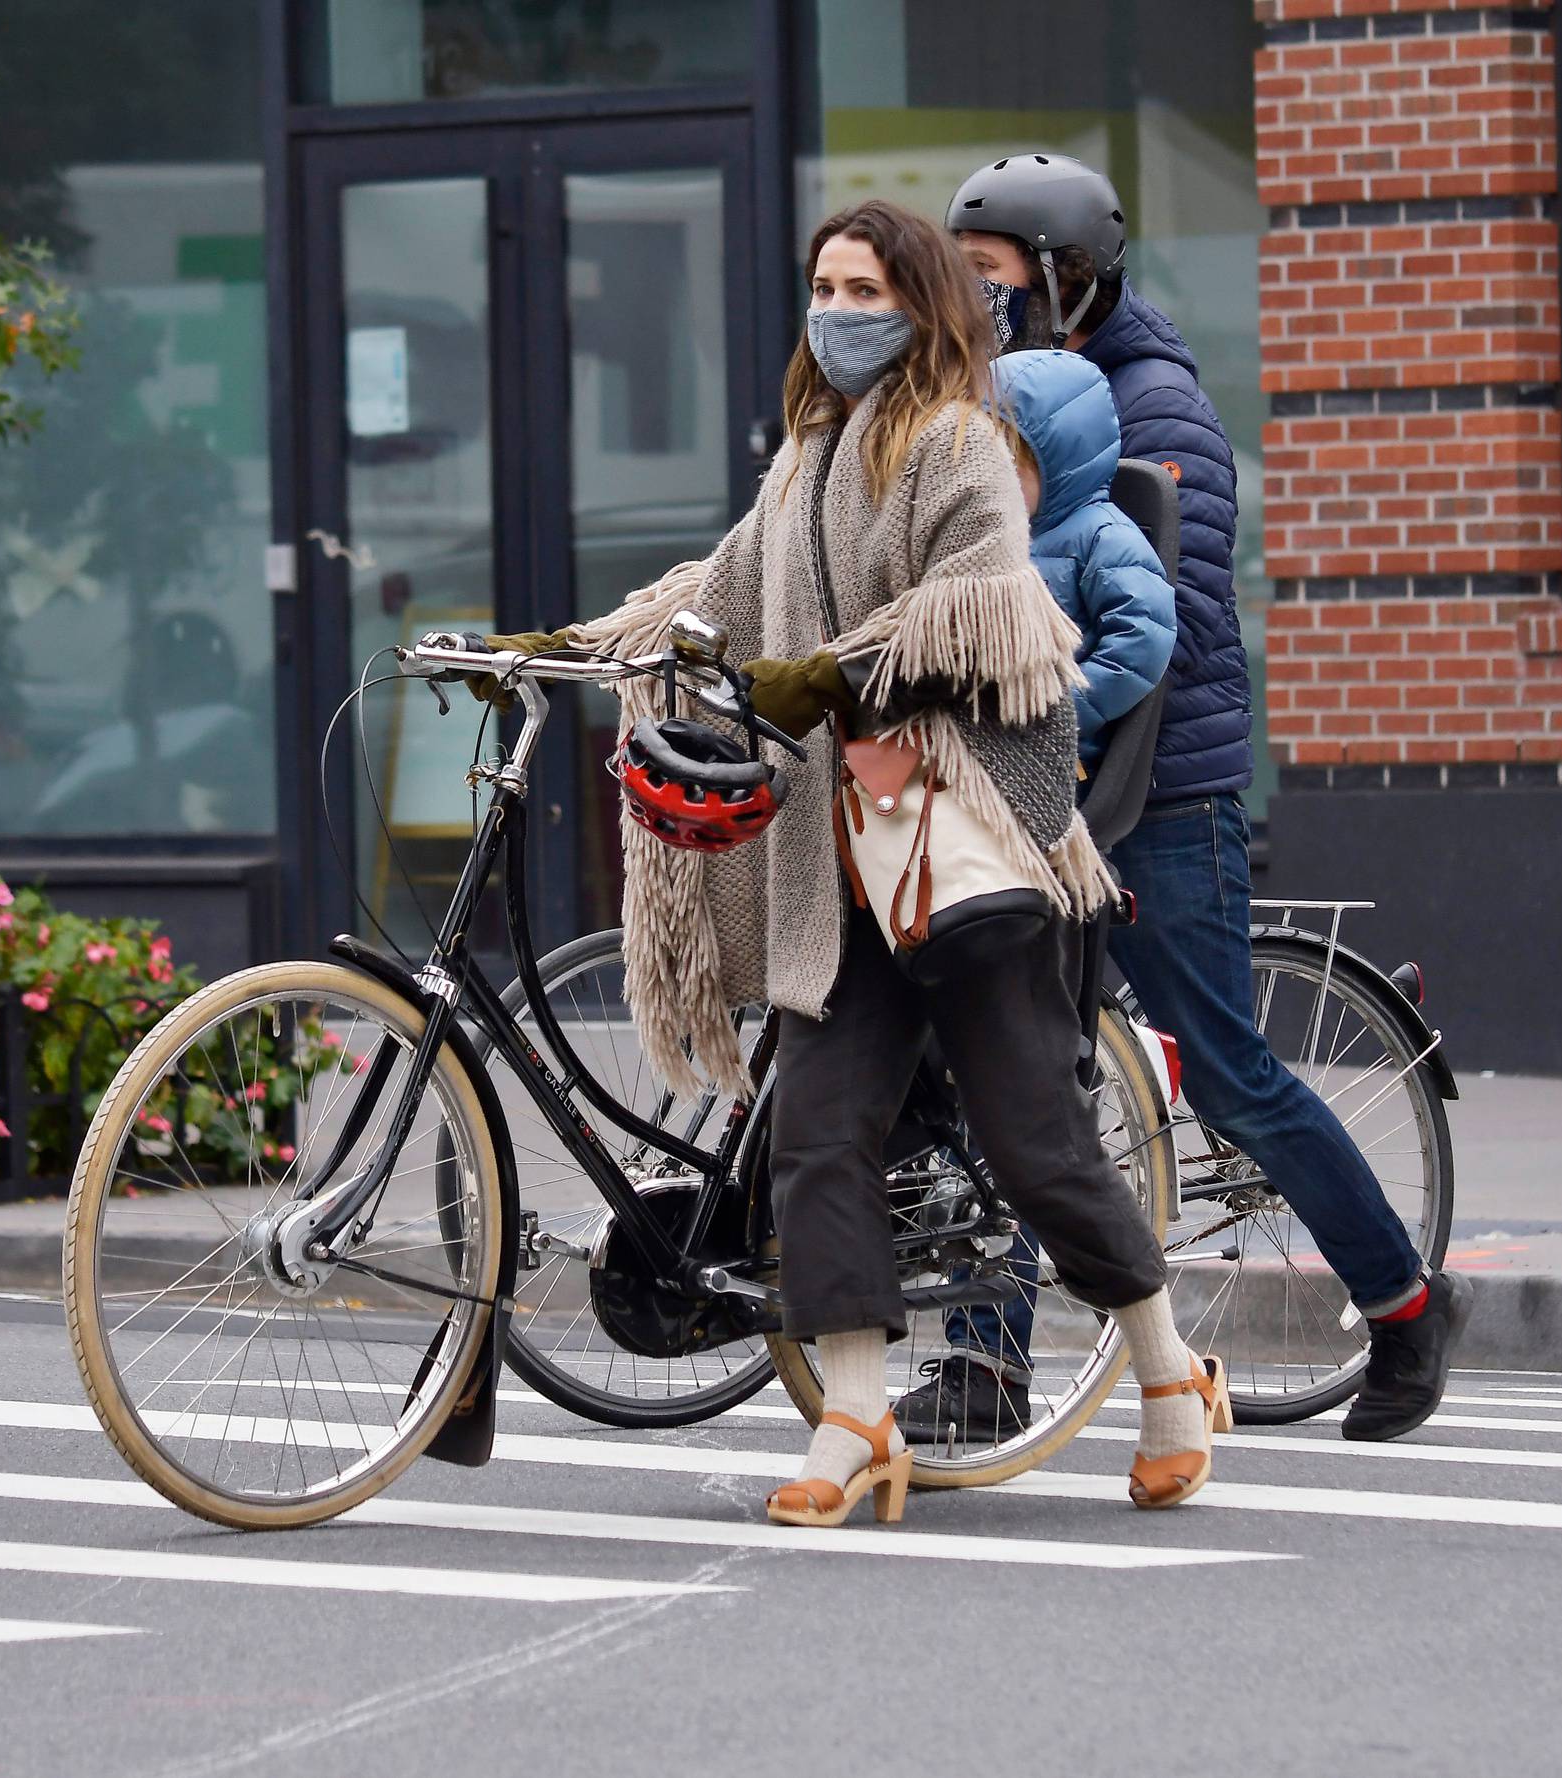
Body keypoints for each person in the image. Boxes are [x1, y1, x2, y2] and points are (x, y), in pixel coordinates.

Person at [492, 199, 1227, 1524]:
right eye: (824, 285)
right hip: (834, 864)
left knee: (1038, 1144)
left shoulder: (962, 446)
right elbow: (712, 595)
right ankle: (853, 1418)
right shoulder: (803, 455)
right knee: (819, 1142)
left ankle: (1171, 1377)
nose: (837, 311)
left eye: (863, 287)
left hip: (967, 845)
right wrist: (569, 646)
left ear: (922, 301)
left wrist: (816, 675)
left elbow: (976, 613)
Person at [945, 152, 1472, 1443]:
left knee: (1230, 1078)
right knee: (1021, 1068)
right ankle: (983, 1361)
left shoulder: (1154, 409)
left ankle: (1405, 1306)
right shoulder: (1004, 401)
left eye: (994, 281)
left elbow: (1153, 626)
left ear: (1065, 279)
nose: (978, 308)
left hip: (1159, 799)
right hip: (1039, 791)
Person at [892, 345, 1177, 1436]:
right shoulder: (980, 540)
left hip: (1044, 802)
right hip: (967, 791)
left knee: (1014, 1099)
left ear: (1052, 455)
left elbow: (1146, 636)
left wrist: (1059, 702)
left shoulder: (1098, 534)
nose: (984, 475)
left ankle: (994, 1361)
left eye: (1003, 456)